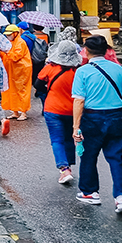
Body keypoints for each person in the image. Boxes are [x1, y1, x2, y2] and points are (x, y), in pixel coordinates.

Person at [72, 35, 122, 212]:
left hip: (92, 118)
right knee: (115, 158)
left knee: (89, 155)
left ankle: (90, 193)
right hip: (117, 117)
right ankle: (121, 198)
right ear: (106, 51)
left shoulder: (82, 71)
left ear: (86, 51)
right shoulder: (118, 69)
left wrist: (76, 127)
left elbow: (79, 101)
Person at [36, 40, 82, 184]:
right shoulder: (79, 71)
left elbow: (37, 84)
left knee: (57, 139)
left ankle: (64, 168)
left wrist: (49, 91)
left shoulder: (50, 68)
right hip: (73, 110)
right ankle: (69, 165)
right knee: (69, 138)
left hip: (53, 109)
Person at [0, 25, 32, 121]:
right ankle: (15, 111)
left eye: (9, 34)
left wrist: (5, 52)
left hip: (21, 71)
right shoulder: (11, 42)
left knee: (21, 91)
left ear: (15, 33)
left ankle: (23, 112)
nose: (8, 36)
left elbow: (15, 56)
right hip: (12, 70)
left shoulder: (20, 43)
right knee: (12, 90)